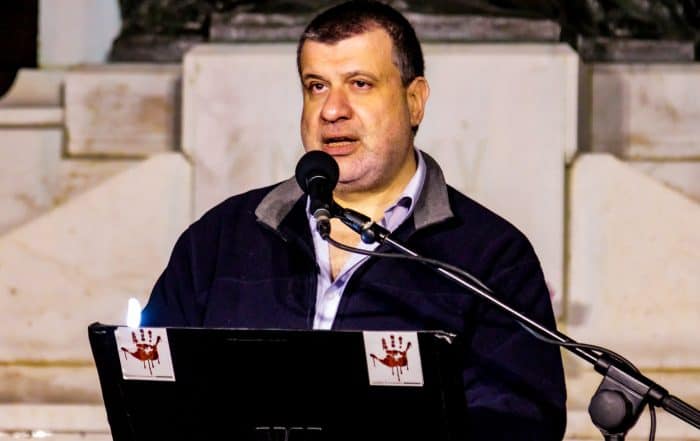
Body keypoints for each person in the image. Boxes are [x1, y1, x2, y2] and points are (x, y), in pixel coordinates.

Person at [141, 0, 567, 439]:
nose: (332, 110)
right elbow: (150, 398)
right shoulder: (221, 238)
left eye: (360, 84)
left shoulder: (492, 258)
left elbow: (519, 423)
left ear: (415, 101)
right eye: (316, 86)